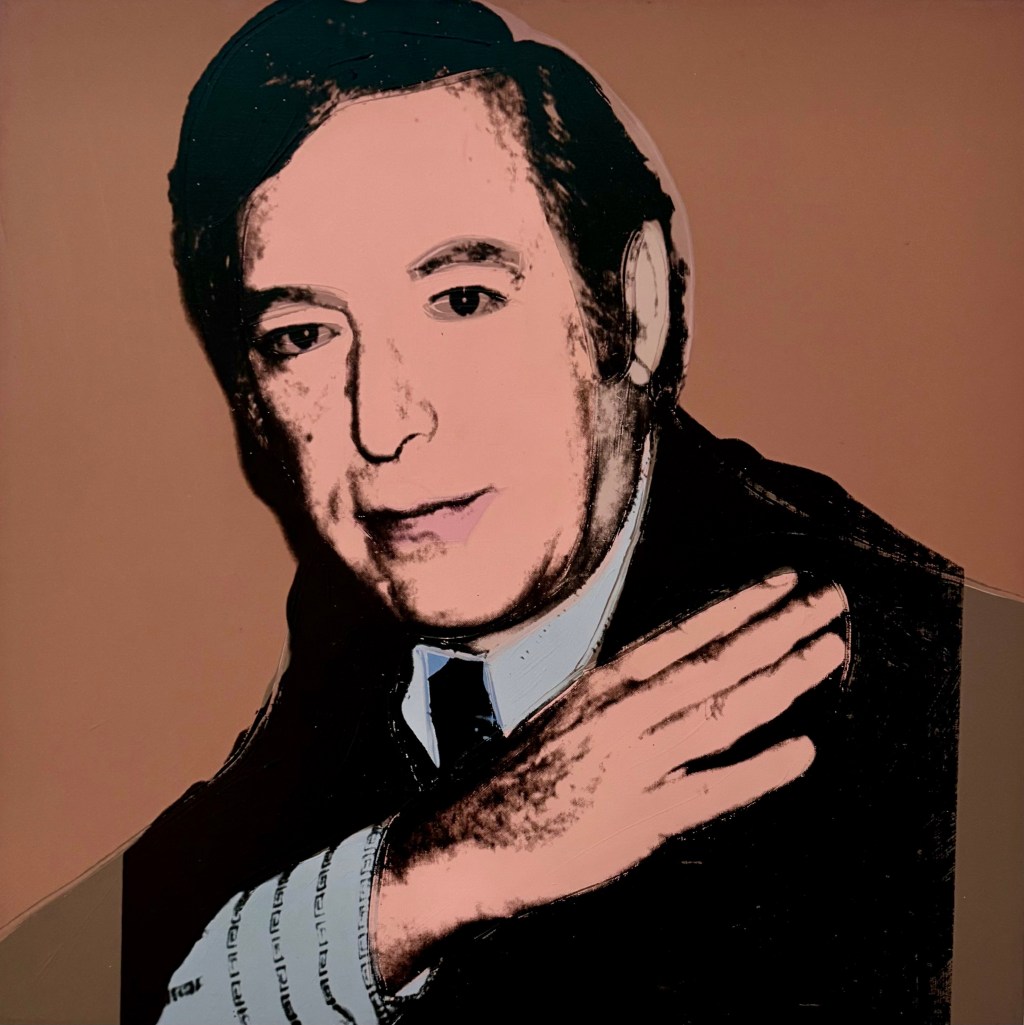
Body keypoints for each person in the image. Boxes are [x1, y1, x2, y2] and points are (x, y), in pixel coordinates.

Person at [120, 1, 962, 1022]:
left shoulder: (924, 696)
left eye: (463, 299)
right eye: (302, 335)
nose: (382, 423)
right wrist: (422, 876)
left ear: (634, 309)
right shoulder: (353, 619)